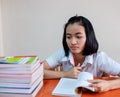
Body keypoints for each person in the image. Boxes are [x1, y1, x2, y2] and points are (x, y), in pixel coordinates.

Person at [43, 15, 120, 92]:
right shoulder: (63, 53)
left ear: (88, 37)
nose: (73, 42)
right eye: (69, 37)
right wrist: (65, 74)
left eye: (78, 37)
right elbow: (36, 72)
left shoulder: (99, 57)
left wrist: (109, 85)